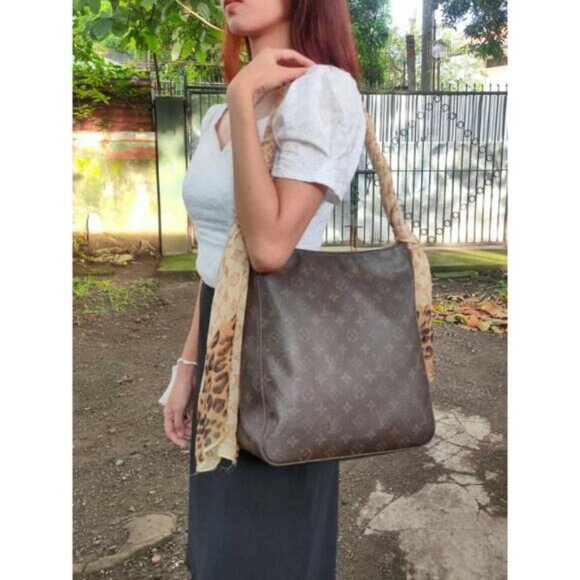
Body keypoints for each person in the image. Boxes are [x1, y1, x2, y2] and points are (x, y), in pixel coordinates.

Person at [163, 1, 366, 578]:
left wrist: (241, 94)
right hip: (219, 339)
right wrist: (187, 366)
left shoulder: (322, 91)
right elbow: (216, 260)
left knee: (270, 546)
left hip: (282, 349)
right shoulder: (219, 114)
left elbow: (269, 249)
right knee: (218, 543)